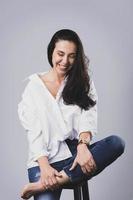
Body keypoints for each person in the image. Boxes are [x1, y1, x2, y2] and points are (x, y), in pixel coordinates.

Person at [18, 29, 125, 200]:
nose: (65, 61)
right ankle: (56, 179)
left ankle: (41, 186)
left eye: (72, 56)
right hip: (44, 161)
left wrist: (83, 146)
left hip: (76, 156)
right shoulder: (33, 88)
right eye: (60, 54)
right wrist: (45, 169)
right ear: (51, 51)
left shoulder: (83, 82)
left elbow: (88, 117)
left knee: (116, 143)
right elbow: (34, 133)